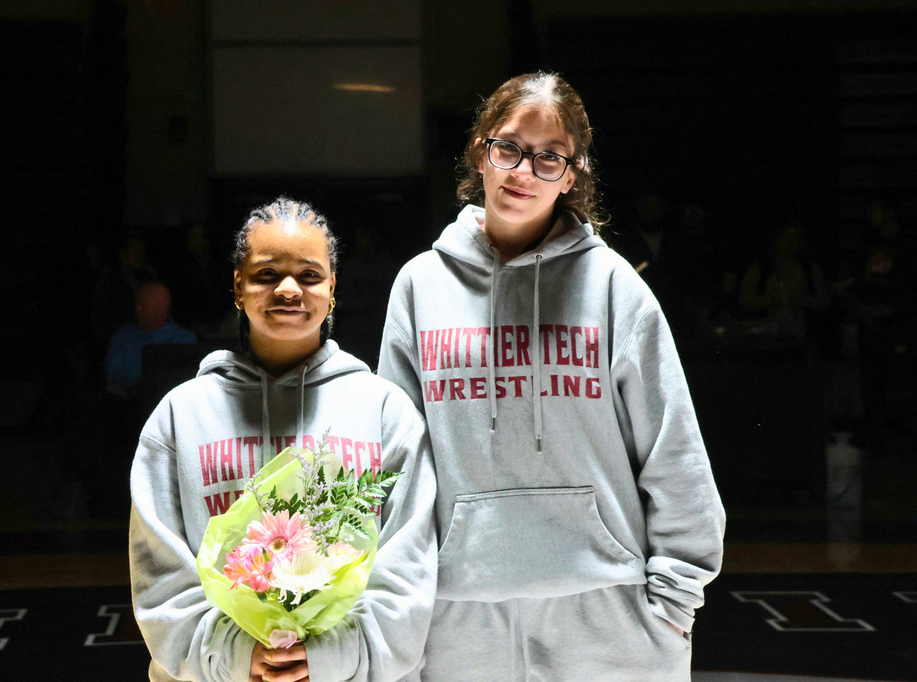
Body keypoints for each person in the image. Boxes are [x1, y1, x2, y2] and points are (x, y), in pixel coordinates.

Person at [377, 72, 725, 680]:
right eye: (508, 147)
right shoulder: (419, 286)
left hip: (608, 616)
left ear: (572, 175)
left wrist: (674, 602)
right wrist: (401, 602)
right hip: (458, 616)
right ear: (480, 151)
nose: (522, 171)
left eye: (548, 158)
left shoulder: (615, 287)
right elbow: (395, 466)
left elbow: (675, 452)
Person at [129, 197, 438, 681]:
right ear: (238, 285)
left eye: (310, 275)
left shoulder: (385, 413)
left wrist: (331, 657)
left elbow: (408, 570)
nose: (288, 289)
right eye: (267, 274)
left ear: (332, 287)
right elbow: (159, 575)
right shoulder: (180, 416)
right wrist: (234, 655)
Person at [103, 281, 197, 399]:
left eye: (142, 305)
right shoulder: (123, 335)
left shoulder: (182, 340)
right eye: (137, 305)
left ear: (160, 309)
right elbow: (111, 374)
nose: (137, 310)